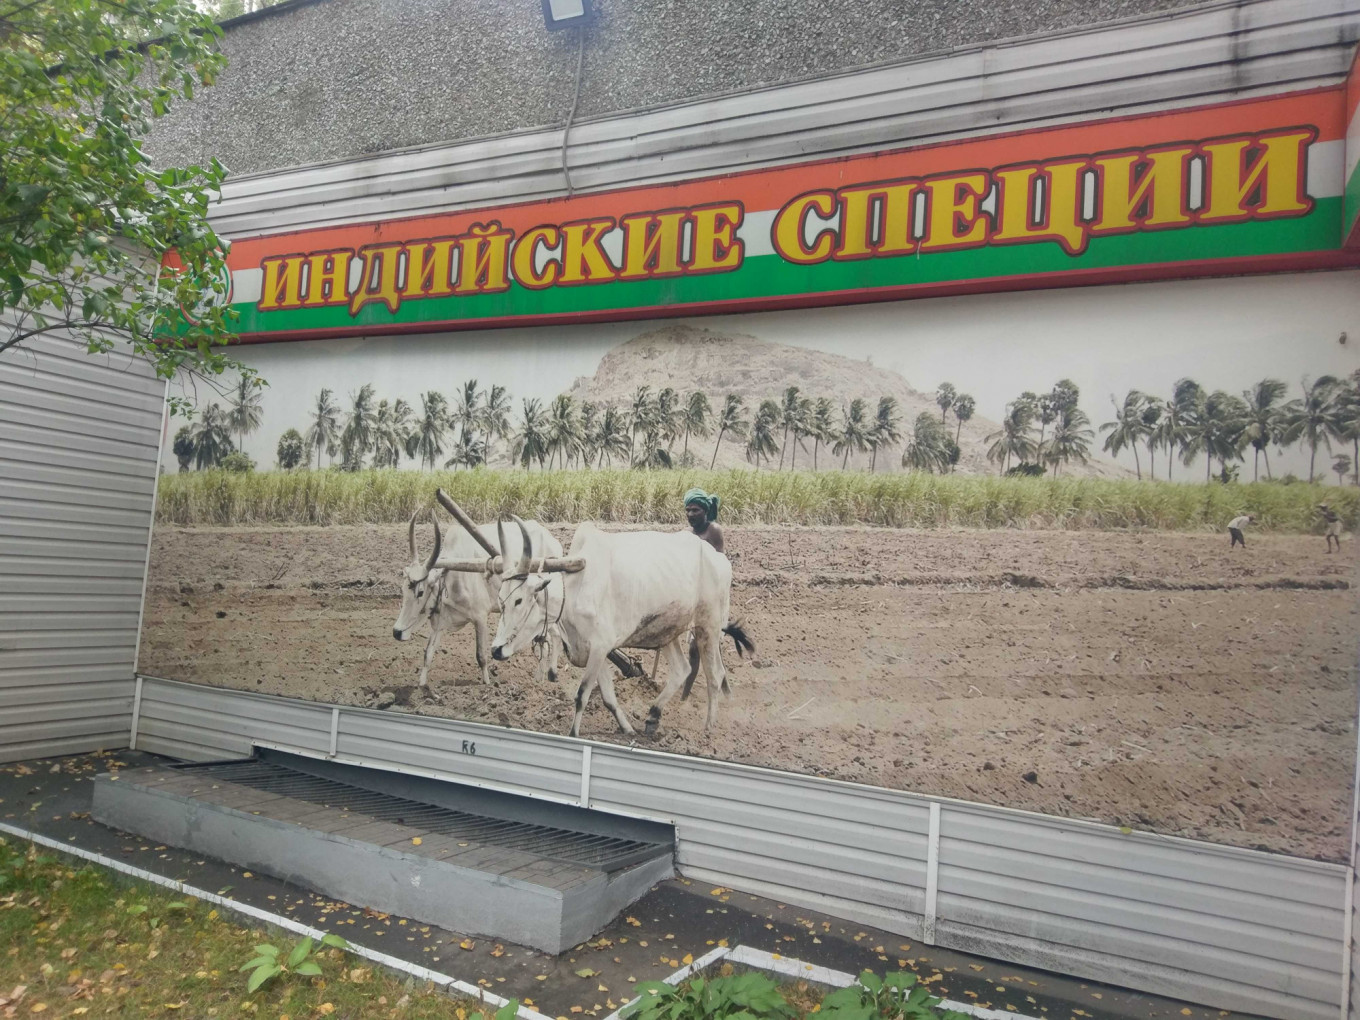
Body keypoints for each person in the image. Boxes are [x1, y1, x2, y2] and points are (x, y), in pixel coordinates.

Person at [683, 488, 724, 554]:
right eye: (688, 510)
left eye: (695, 510)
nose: (690, 514)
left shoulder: (713, 530)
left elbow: (719, 559)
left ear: (706, 511)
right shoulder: (686, 532)